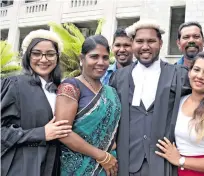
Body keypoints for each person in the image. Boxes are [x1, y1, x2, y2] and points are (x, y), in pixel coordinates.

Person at [110, 19, 191, 176]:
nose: (145, 46)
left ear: (160, 43)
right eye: (139, 41)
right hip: (127, 162)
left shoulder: (179, 75)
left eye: (151, 41)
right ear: (132, 43)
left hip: (163, 162)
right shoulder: (118, 77)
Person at [1, 29, 72, 176]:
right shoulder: (14, 85)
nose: (44, 59)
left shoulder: (60, 88)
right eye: (37, 53)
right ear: (28, 56)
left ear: (57, 57)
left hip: (53, 166)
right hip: (22, 167)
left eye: (50, 54)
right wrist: (41, 133)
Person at [55, 35, 121, 176]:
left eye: (105, 57)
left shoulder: (111, 91)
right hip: (77, 168)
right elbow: (62, 132)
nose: (101, 62)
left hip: (109, 167)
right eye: (94, 57)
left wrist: (108, 156)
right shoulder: (71, 87)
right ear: (82, 59)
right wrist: (101, 156)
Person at [156, 52, 204, 176]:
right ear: (189, 72)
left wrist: (180, 160)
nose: (200, 76)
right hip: (177, 172)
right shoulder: (178, 101)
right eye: (196, 70)